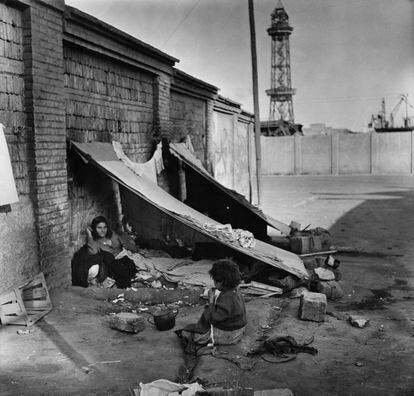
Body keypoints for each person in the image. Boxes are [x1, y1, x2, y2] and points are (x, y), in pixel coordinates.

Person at [176, 259, 247, 349]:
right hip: (240, 329)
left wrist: (211, 300)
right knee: (192, 328)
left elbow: (212, 319)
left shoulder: (227, 298)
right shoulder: (234, 291)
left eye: (214, 281)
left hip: (230, 334)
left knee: (189, 334)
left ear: (220, 282)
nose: (214, 283)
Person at [71, 216, 136, 288]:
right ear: (94, 229)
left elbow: (121, 246)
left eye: (105, 227)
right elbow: (93, 251)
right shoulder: (94, 241)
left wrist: (112, 244)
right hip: (110, 262)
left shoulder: (111, 234)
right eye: (99, 228)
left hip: (119, 257)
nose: (103, 230)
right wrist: (89, 235)